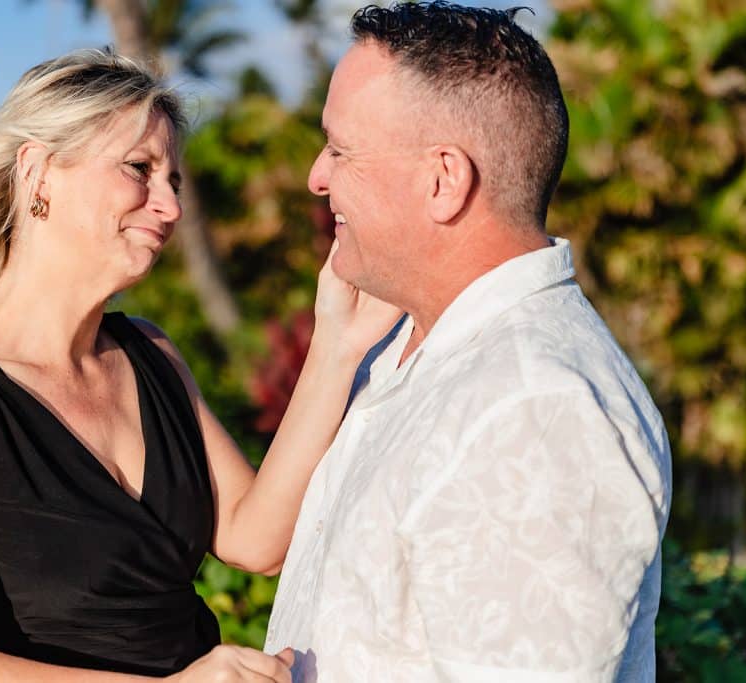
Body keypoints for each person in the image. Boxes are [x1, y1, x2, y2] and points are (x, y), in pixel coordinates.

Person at [0, 49, 399, 682]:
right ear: (38, 173)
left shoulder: (151, 354)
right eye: (139, 169)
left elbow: (255, 540)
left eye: (173, 180)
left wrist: (337, 343)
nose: (168, 206)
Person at [264, 3, 672, 681]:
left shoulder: (534, 406)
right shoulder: (424, 353)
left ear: (443, 179)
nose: (317, 175)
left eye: (340, 149)